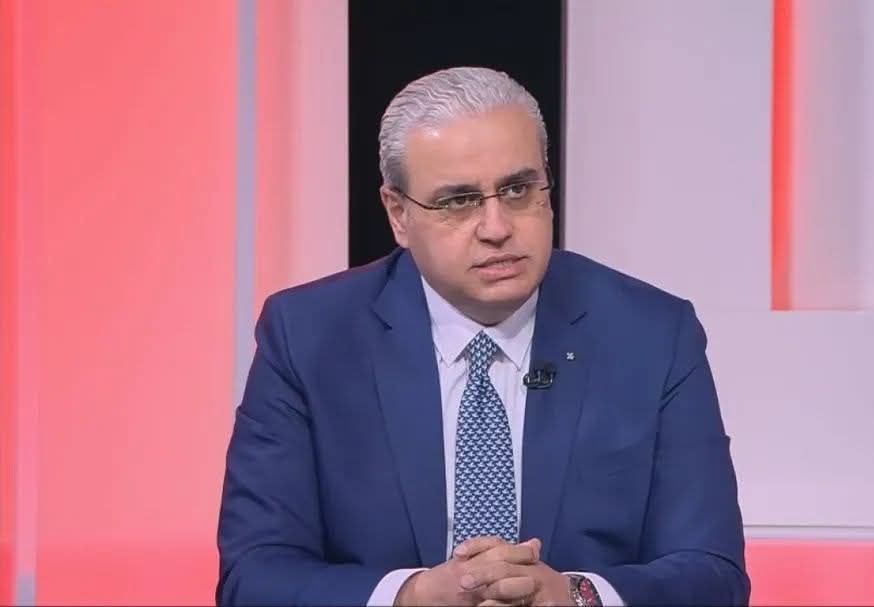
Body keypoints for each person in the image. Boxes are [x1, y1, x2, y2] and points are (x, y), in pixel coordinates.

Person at [216, 66, 749, 606]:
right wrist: (411, 597)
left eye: (518, 190)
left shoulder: (652, 335)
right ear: (398, 214)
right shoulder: (308, 336)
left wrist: (577, 596)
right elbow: (254, 576)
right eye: (459, 201)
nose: (497, 228)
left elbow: (712, 574)